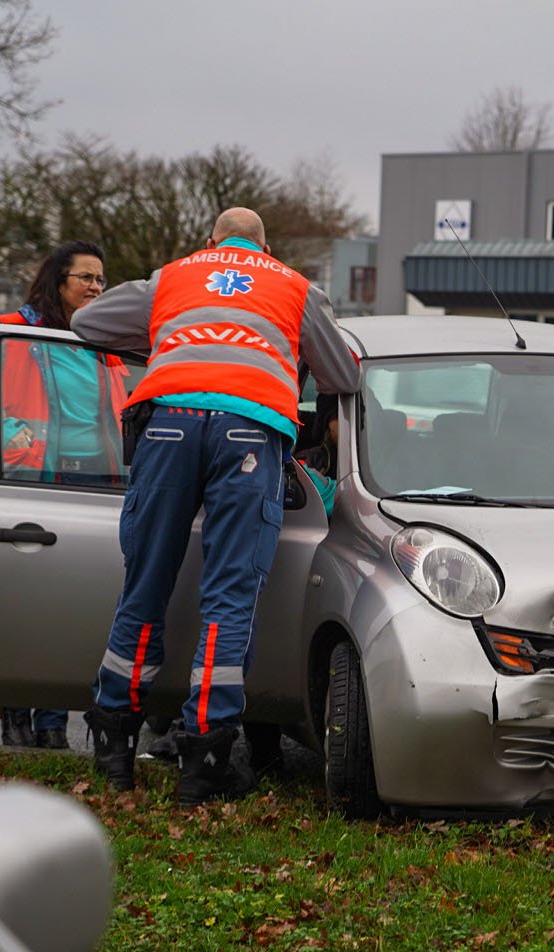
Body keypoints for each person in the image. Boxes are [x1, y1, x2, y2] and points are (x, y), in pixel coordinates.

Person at [72, 207, 360, 807]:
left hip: (167, 425)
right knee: (229, 599)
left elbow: (87, 322)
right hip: (249, 432)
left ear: (209, 242)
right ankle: (203, 764)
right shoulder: (295, 287)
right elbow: (343, 375)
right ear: (266, 249)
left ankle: (114, 748)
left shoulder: (173, 276)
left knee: (144, 586)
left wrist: (168, 339)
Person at [0, 240, 123, 751]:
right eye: (85, 277)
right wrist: (6, 429)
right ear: (58, 281)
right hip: (34, 477)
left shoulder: (104, 339)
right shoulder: (17, 330)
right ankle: (17, 711)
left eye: (100, 279)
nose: (95, 287)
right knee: (29, 604)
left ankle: (53, 720)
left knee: (73, 607)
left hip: (96, 480)